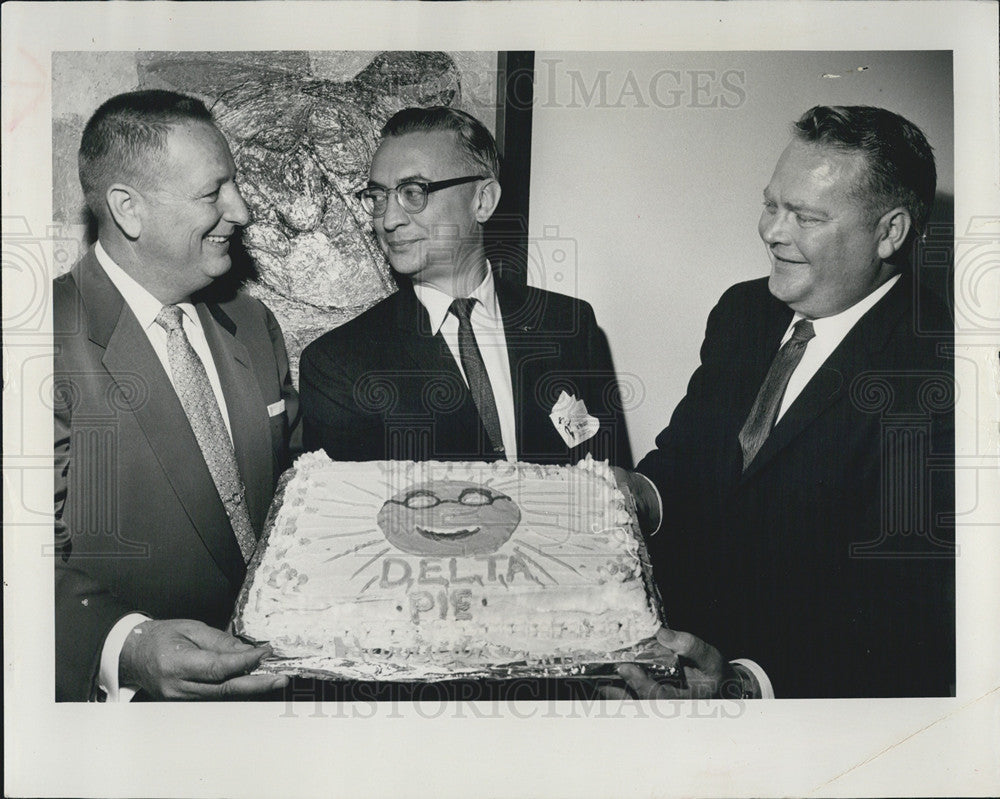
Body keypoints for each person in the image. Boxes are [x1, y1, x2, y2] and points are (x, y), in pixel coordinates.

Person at [613, 105, 955, 699]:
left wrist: (744, 687)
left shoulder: (944, 374)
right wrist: (637, 495)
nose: (773, 231)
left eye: (805, 216)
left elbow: (912, 624)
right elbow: (689, 455)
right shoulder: (742, 311)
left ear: (890, 232)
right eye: (772, 204)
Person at [54, 90, 298, 701]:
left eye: (234, 185)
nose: (241, 211)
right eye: (213, 193)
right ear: (128, 209)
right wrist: (124, 647)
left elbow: (298, 501)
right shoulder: (36, 336)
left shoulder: (252, 323)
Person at [300, 106, 631, 469]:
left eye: (414, 192)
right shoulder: (338, 363)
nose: (389, 220)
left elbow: (609, 497)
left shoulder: (569, 324)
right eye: (379, 197)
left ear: (483, 201)